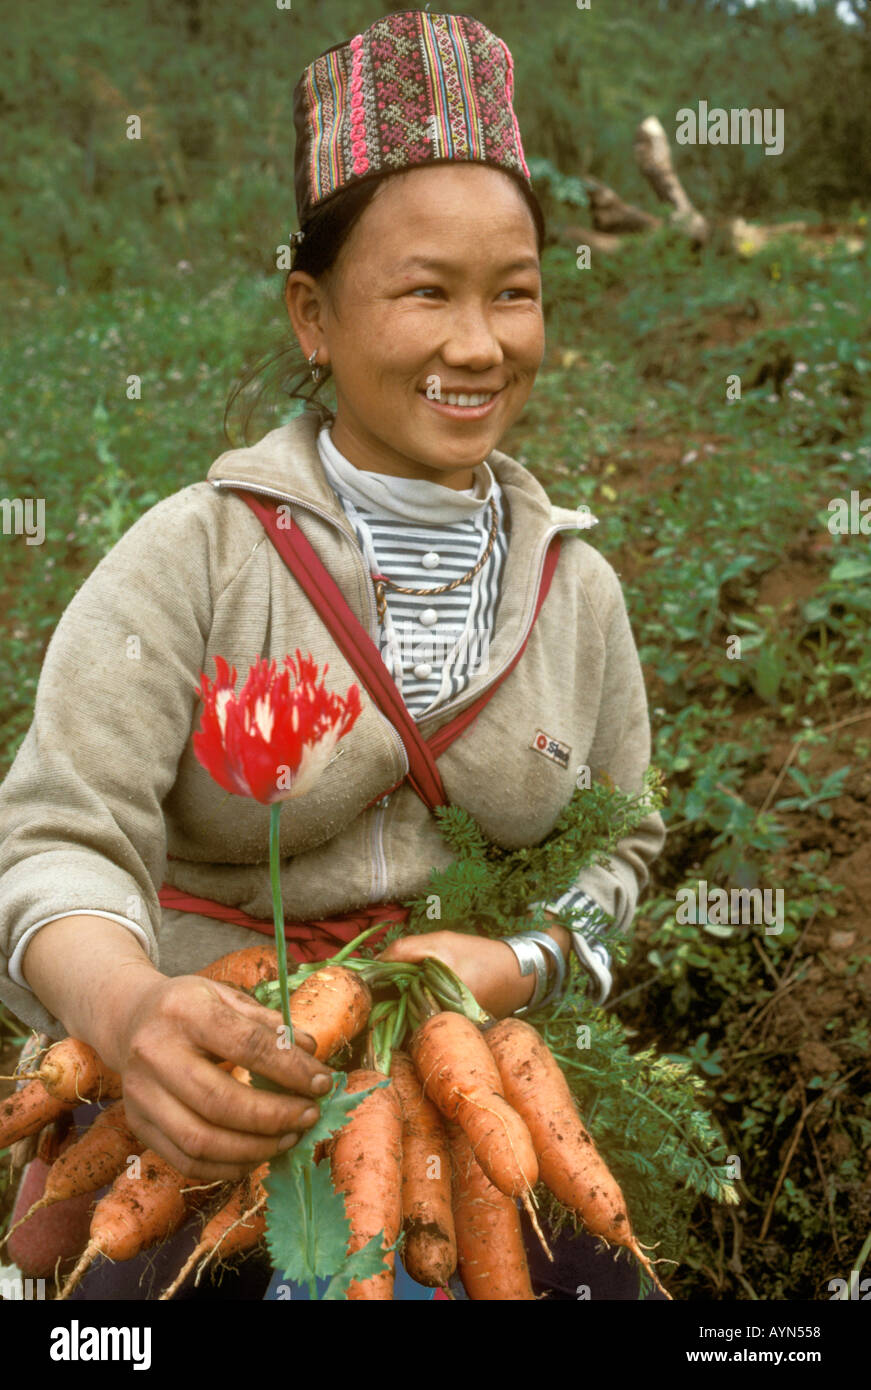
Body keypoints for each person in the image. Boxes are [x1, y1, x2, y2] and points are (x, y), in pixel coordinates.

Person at [0, 9, 666, 1300]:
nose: (480, 343)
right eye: (428, 290)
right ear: (313, 314)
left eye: (514, 292)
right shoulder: (194, 558)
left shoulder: (576, 590)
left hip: (466, 1093)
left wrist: (517, 962)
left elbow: (625, 845)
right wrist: (136, 1022)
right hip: (202, 1102)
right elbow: (54, 839)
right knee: (132, 1294)